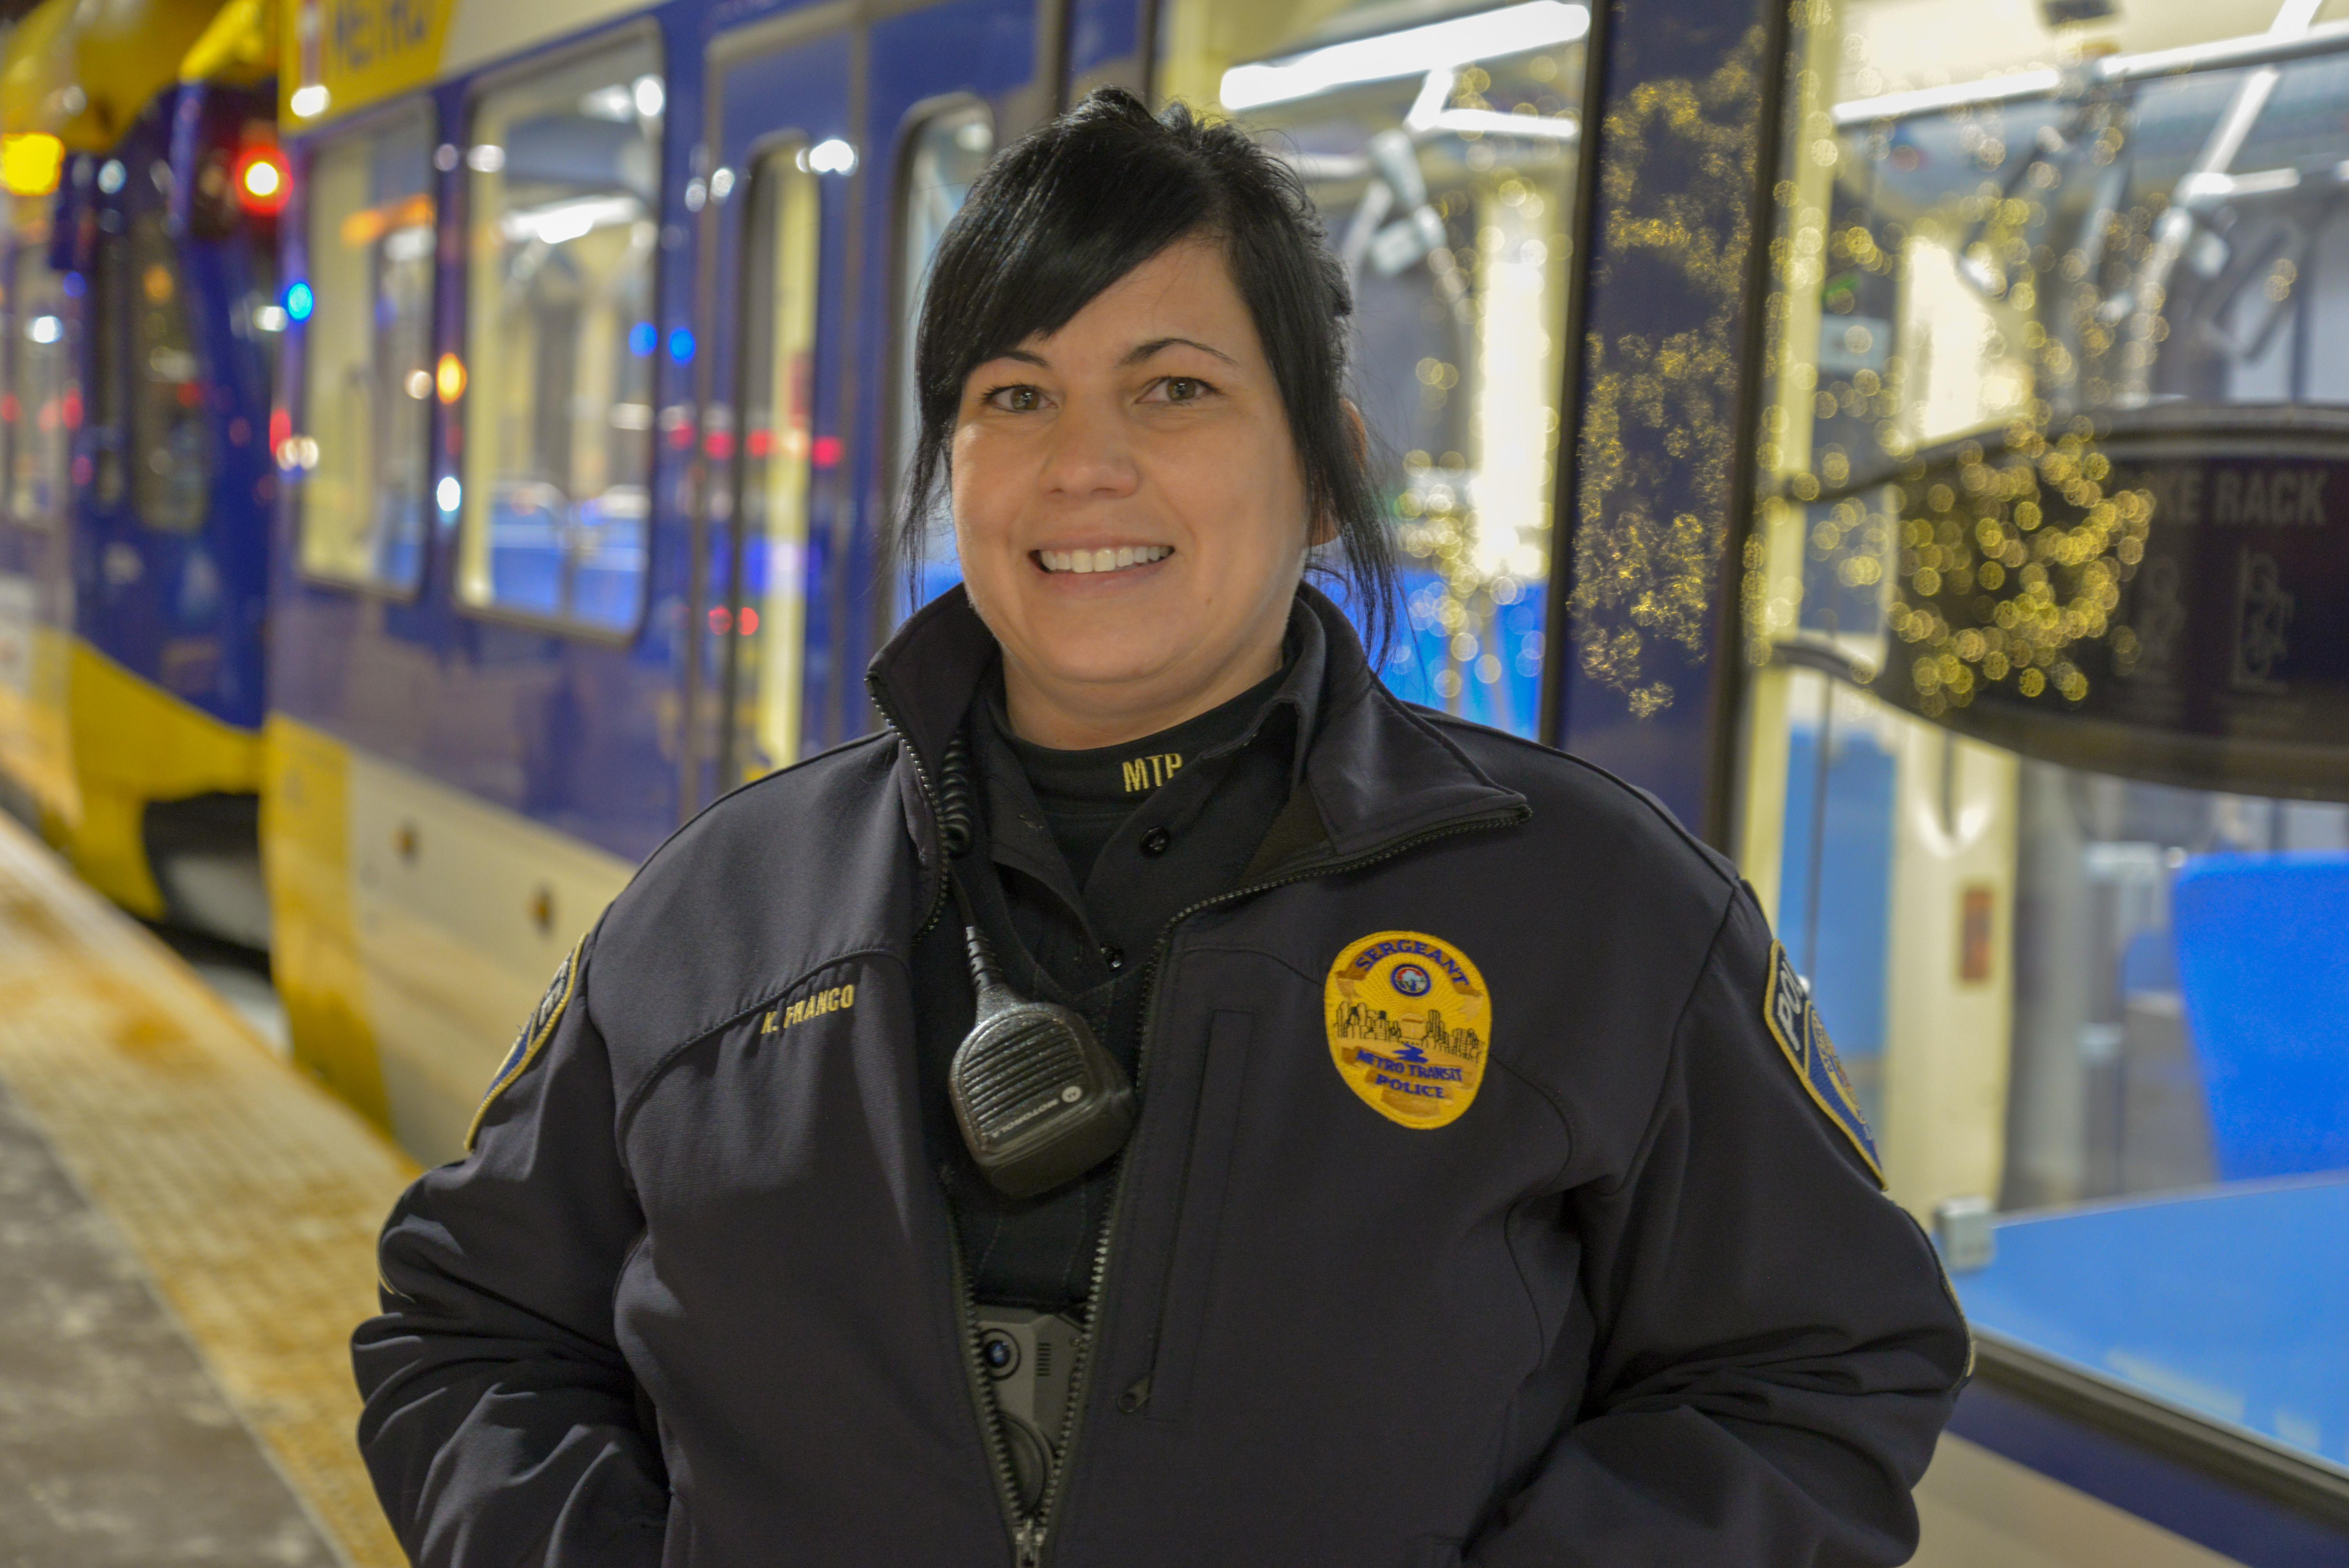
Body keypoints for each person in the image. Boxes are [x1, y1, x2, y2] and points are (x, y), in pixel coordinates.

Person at [353, 87, 1970, 1567]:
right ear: (953, 469)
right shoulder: (727, 909)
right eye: (1016, 393)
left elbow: (1818, 1363)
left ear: (1323, 471)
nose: (1087, 465)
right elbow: (467, 1325)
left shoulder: (1592, 908)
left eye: (1175, 386)